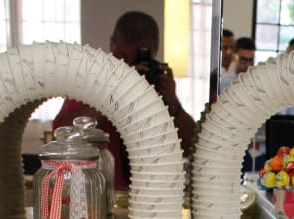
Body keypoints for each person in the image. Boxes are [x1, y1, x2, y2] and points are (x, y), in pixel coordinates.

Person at [50, 11, 196, 191]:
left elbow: (193, 148)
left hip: (151, 195)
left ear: (155, 50)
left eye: (140, 57)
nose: (130, 66)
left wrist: (173, 105)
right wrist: (115, 93)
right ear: (112, 45)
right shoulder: (91, 80)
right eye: (124, 58)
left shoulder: (155, 81)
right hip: (99, 195)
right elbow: (61, 135)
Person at [208, 28, 235, 105]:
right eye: (225, 48)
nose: (229, 52)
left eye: (232, 47)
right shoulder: (209, 71)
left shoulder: (238, 71)